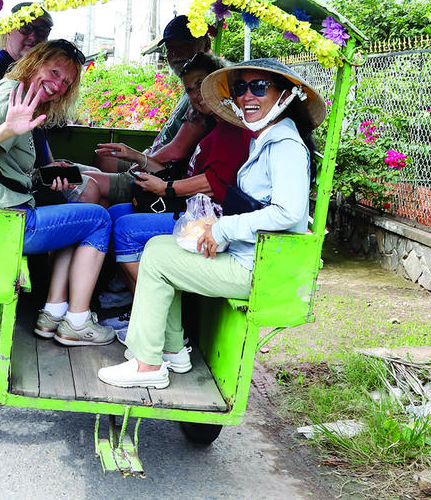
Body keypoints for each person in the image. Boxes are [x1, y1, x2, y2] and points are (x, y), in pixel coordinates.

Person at [97, 58, 325, 388]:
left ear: (285, 95)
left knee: (157, 259)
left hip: (256, 268)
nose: (247, 96)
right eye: (240, 88)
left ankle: (147, 366)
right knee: (158, 248)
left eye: (259, 87)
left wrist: (222, 229)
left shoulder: (284, 144)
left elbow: (288, 213)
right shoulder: (269, 136)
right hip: (249, 256)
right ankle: (173, 352)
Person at [0, 39, 116, 346]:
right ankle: (76, 320)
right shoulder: (10, 93)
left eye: (66, 82)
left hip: (6, 213)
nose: (58, 85)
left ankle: (53, 313)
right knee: (100, 219)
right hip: (6, 219)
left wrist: (45, 174)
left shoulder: (24, 98)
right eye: (53, 72)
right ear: (35, 63)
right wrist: (8, 129)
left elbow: (8, 164)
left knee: (76, 220)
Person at [108, 53, 253, 284]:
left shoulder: (232, 129)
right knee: (114, 214)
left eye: (201, 84)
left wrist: (166, 188)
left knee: (125, 229)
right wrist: (138, 159)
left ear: (218, 83)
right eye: (190, 90)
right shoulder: (212, 125)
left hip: (209, 218)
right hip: (188, 207)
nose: (197, 95)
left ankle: (149, 307)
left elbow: (213, 184)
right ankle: (125, 298)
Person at [91, 15, 215, 205]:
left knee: (89, 183)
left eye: (184, 45)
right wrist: (142, 155)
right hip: (155, 159)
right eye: (171, 48)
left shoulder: (204, 93)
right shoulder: (189, 88)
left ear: (206, 44)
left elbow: (177, 151)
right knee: (104, 158)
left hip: (166, 172)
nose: (176, 54)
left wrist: (141, 161)